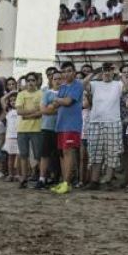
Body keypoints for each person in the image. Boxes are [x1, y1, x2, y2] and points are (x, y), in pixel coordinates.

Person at [83, 62, 124, 190]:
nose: (107, 72)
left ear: (113, 72)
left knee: (111, 153)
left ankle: (107, 181)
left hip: (113, 122)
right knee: (95, 153)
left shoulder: (118, 84)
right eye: (105, 70)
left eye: (109, 70)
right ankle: (94, 181)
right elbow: (83, 84)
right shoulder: (95, 84)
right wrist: (95, 72)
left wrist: (119, 72)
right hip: (95, 122)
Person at [51, 60, 84, 195]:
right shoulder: (63, 87)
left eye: (69, 71)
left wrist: (57, 99)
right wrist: (58, 100)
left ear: (74, 73)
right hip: (61, 124)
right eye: (64, 71)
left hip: (72, 124)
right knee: (63, 154)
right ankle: (65, 183)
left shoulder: (78, 85)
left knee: (69, 153)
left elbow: (67, 101)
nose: (66, 74)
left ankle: (67, 182)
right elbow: (56, 105)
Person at [15, 72, 43, 187]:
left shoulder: (41, 94)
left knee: (38, 155)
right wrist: (34, 111)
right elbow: (19, 111)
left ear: (37, 82)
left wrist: (27, 115)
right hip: (22, 129)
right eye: (28, 81)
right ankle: (24, 178)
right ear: (25, 83)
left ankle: (41, 178)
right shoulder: (21, 94)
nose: (30, 82)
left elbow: (41, 112)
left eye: (33, 80)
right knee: (23, 154)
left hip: (37, 129)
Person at [36, 69, 62, 189]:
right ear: (51, 81)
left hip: (62, 127)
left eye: (59, 78)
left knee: (60, 155)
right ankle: (42, 178)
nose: (57, 81)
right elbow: (43, 110)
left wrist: (51, 108)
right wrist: (57, 109)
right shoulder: (47, 93)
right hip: (47, 127)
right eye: (55, 79)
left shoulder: (65, 92)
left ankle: (57, 178)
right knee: (45, 154)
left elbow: (48, 110)